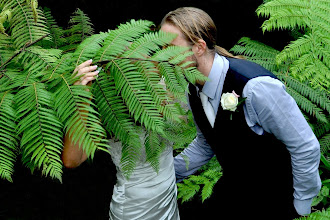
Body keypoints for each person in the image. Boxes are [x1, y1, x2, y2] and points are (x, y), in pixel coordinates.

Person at [160, 7, 321, 220]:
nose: (162, 56)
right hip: (238, 192)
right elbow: (205, 143)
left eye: (169, 48)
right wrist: (164, 175)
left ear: (199, 47)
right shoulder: (192, 87)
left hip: (279, 198)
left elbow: (305, 146)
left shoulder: (256, 88)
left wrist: (301, 207)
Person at [62, 60, 180, 220]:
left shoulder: (168, 91)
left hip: (168, 201)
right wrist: (80, 97)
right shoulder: (110, 115)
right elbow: (71, 160)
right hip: (133, 208)